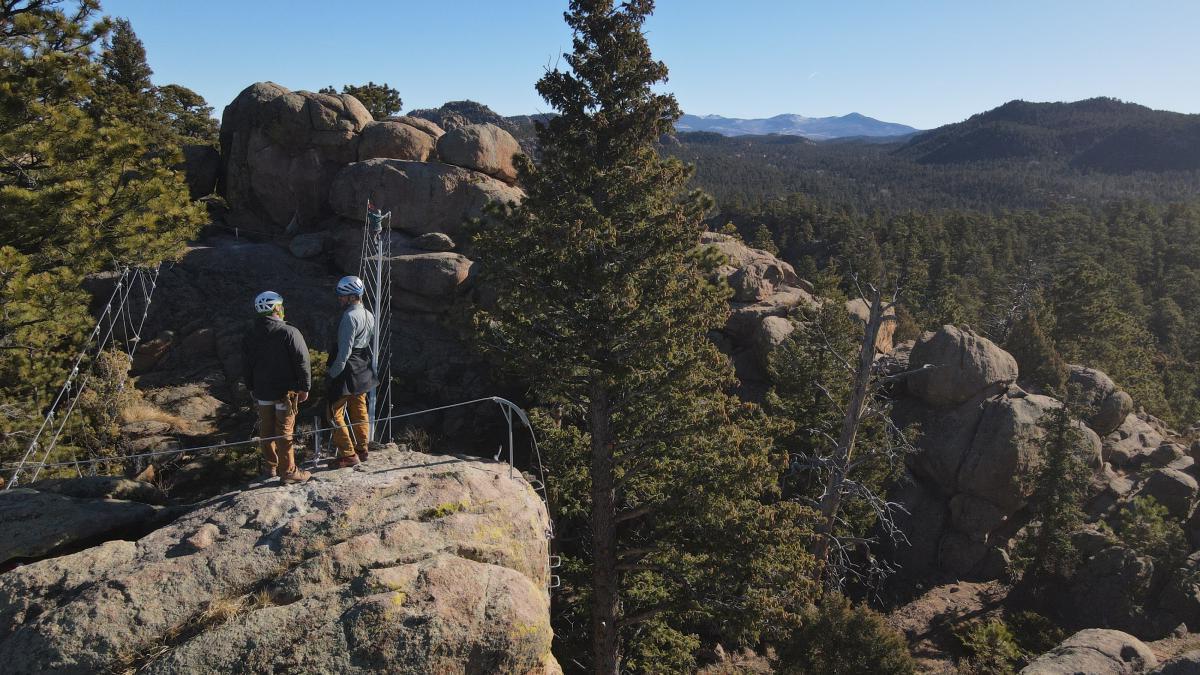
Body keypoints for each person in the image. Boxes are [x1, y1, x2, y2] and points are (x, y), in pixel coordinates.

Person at [242, 291, 312, 484]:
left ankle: (270, 468)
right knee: (284, 430)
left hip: (263, 391)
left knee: (266, 429)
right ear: (277, 308)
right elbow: (302, 362)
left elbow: (246, 364)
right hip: (285, 392)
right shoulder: (289, 331)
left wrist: (250, 387)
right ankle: (289, 472)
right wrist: (305, 387)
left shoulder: (250, 334)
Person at [326, 275, 378, 468]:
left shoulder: (349, 316)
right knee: (359, 408)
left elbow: (344, 352)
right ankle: (362, 449)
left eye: (342, 295)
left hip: (347, 368)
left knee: (333, 411)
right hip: (362, 366)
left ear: (351, 296)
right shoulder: (369, 314)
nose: (339, 298)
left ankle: (348, 454)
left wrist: (332, 374)